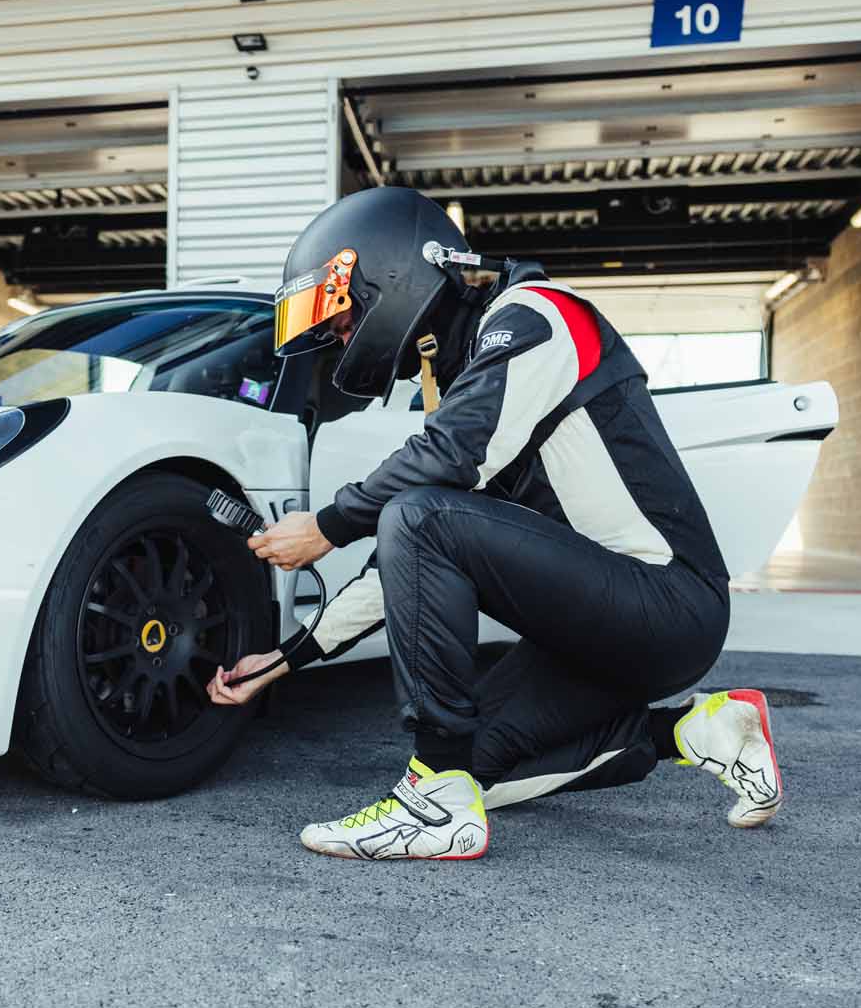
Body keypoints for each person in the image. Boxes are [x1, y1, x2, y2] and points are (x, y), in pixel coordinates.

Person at [206, 185, 783, 859]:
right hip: (592, 632)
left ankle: (434, 801)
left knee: (417, 516)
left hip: (665, 605)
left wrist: (329, 524)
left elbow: (444, 464)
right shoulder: (476, 374)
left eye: (339, 318)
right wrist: (287, 658)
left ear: (387, 274)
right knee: (481, 760)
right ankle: (700, 730)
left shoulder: (538, 316)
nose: (338, 339)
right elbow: (399, 569)